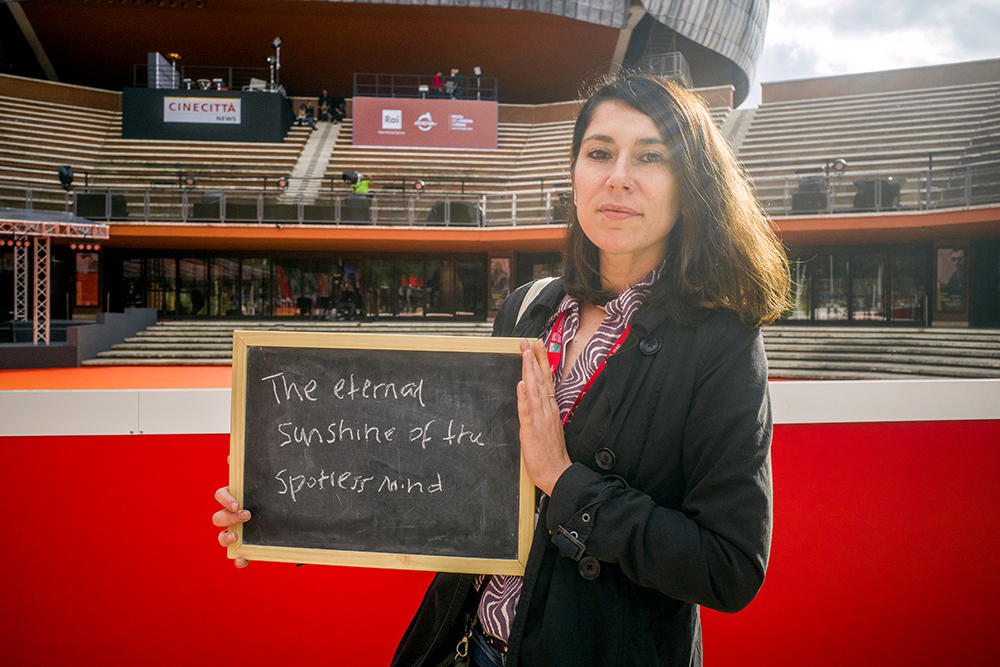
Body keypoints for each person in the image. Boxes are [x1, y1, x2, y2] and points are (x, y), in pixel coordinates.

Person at [214, 72, 790, 667]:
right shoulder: (528, 308)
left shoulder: (721, 342)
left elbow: (730, 567)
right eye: (599, 153)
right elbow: (460, 482)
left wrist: (563, 480)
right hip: (468, 647)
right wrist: (300, 514)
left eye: (651, 157)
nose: (618, 176)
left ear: (689, 186)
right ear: (574, 175)